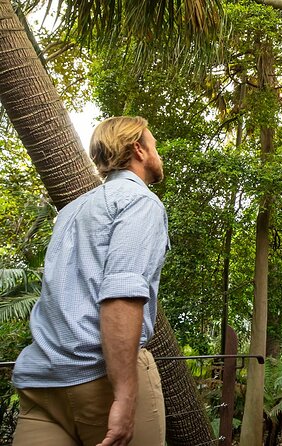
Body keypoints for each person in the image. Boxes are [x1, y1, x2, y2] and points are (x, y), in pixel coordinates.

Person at [12, 116, 170, 446]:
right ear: (139, 150)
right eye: (154, 145)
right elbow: (121, 295)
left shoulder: (71, 210)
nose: (159, 154)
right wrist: (125, 397)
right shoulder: (140, 202)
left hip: (42, 383)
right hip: (99, 380)